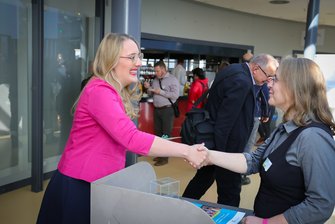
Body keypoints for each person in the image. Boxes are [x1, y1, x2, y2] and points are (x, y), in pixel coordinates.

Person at [36, 33, 208, 224]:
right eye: (131, 57)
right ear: (111, 60)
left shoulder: (110, 91)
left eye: (139, 56)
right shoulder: (100, 90)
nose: (139, 63)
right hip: (79, 184)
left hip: (97, 183)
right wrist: (186, 151)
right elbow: (131, 138)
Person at [205, 57, 335, 224]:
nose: (269, 84)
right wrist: (208, 155)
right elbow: (253, 161)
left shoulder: (313, 138)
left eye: (276, 79)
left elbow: (320, 206)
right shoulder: (286, 128)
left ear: (295, 87)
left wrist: (265, 223)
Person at [182, 54, 278, 207]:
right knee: (230, 190)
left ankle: (183, 205)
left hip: (215, 138)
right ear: (255, 68)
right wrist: (222, 154)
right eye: (268, 76)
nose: (268, 81)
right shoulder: (242, 82)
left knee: (203, 178)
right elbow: (225, 121)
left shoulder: (234, 69)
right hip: (227, 144)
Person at [143, 61, 179, 166]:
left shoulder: (173, 79)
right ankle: (160, 154)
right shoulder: (155, 80)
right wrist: (148, 88)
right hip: (157, 110)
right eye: (155, 71)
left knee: (166, 134)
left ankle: (164, 158)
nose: (156, 73)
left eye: (157, 71)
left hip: (167, 110)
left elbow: (175, 95)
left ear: (163, 69)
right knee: (158, 134)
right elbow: (151, 92)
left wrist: (161, 92)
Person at [241, 83, 272, 185]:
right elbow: (265, 95)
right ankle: (241, 175)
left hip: (239, 114)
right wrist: (266, 113)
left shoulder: (242, 77)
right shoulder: (260, 81)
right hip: (254, 114)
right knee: (249, 144)